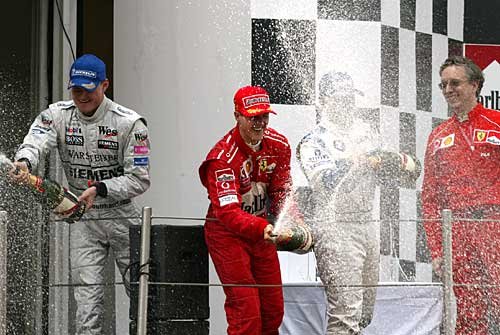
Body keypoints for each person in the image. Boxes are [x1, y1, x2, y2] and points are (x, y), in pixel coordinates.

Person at [9, 54, 151, 334]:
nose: (82, 95)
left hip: (122, 215)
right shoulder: (57, 115)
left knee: (142, 294)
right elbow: (35, 142)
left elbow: (140, 179)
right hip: (83, 219)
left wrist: (100, 189)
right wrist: (24, 162)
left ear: (105, 85)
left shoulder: (130, 123)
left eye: (88, 88)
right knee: (87, 304)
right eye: (76, 89)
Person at [297, 71, 420, 334]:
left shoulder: (367, 131)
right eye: (339, 98)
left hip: (367, 224)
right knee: (345, 314)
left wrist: (399, 163)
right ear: (324, 100)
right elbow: (324, 184)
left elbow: (398, 173)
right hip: (335, 228)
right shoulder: (314, 141)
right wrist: (357, 162)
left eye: (349, 98)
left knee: (365, 312)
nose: (345, 104)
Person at [199, 85, 293, 335]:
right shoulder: (221, 159)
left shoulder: (279, 145)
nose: (260, 123)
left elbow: (282, 192)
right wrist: (263, 228)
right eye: (253, 117)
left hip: (262, 232)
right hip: (227, 235)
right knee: (246, 312)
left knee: (274, 311)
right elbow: (228, 213)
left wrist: (292, 222)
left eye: (264, 116)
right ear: (237, 115)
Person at [422, 56, 500, 334]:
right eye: (443, 85)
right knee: (469, 308)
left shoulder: (497, 122)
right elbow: (430, 197)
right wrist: (436, 249)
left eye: (455, 83)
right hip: (456, 231)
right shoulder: (438, 135)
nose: (448, 90)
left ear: (475, 85)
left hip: (495, 224)